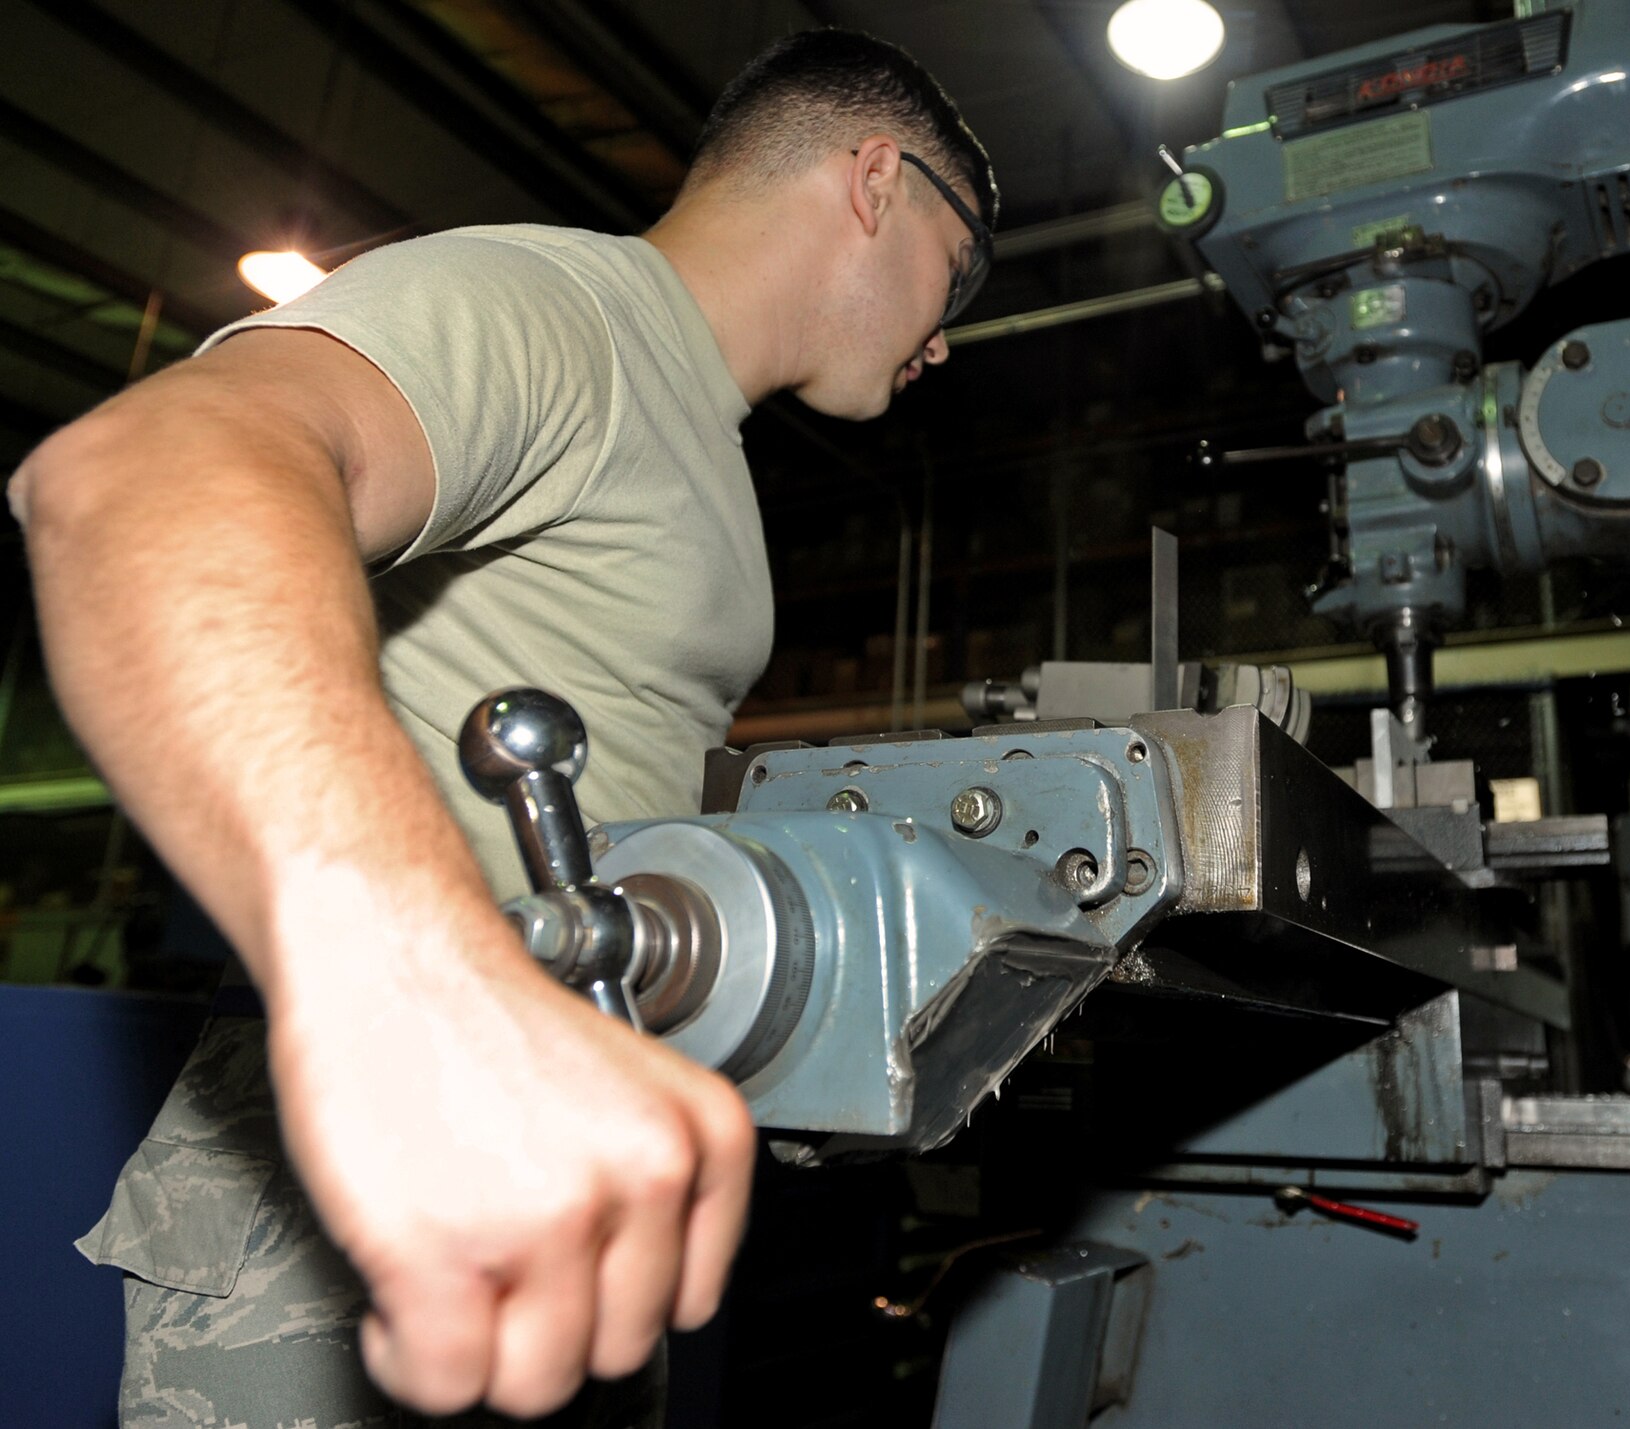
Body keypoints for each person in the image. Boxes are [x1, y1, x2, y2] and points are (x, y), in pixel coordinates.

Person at [10, 28, 995, 1428]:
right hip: (368, 1203)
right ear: (878, 179)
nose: (949, 334)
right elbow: (145, 478)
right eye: (965, 269)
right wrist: (411, 971)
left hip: (546, 1195)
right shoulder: (570, 310)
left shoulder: (692, 434)